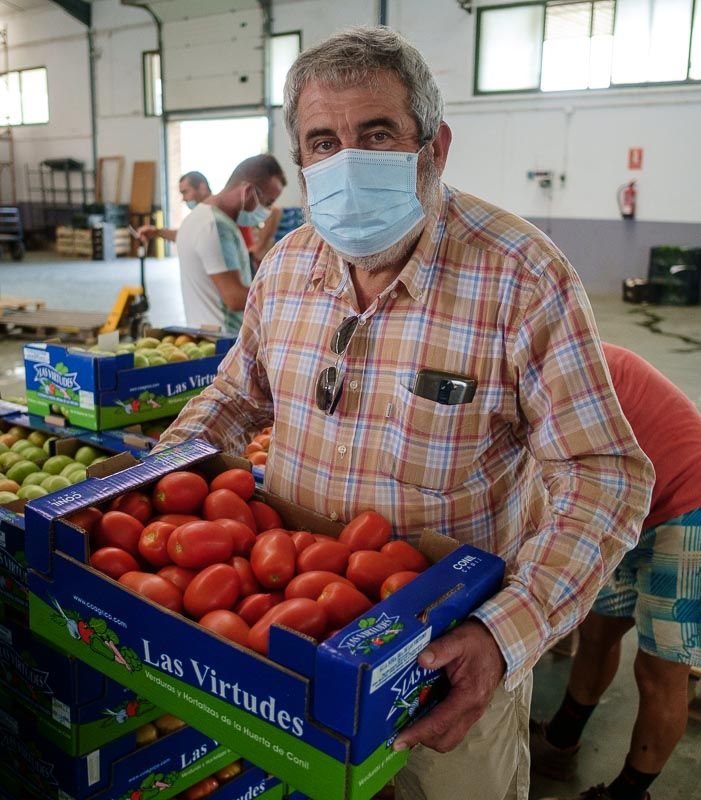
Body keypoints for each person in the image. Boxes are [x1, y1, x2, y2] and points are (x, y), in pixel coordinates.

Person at [156, 27, 653, 800]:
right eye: (323, 141)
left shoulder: (521, 277)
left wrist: (504, 632)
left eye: (376, 133)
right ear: (301, 161)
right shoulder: (288, 266)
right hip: (290, 635)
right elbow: (233, 397)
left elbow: (603, 476)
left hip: (444, 663)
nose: (346, 159)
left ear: (435, 147)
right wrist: (154, 487)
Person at [534, 343, 701, 800]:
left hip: (696, 516)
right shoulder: (550, 364)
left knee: (659, 674)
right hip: (635, 514)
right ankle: (560, 742)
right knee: (598, 633)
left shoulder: (577, 372)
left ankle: (629, 792)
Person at [173, 154, 285, 334]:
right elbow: (234, 298)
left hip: (203, 334)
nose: (267, 210)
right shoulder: (216, 226)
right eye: (267, 202)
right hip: (223, 339)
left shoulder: (197, 218)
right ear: (248, 191)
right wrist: (287, 292)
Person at [138, 171, 213, 243]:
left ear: (202, 188)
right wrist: (157, 232)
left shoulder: (215, 214)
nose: (183, 199)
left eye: (185, 192)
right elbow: (186, 236)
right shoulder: (201, 215)